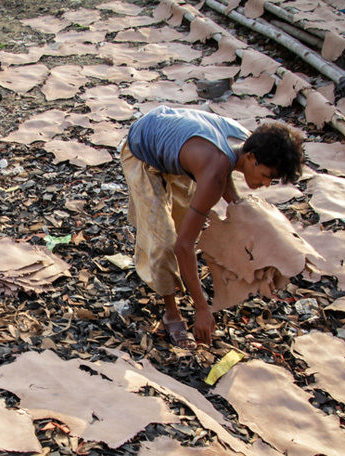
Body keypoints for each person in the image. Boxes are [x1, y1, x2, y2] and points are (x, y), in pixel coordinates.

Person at [121, 105, 305, 348]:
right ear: (250, 158)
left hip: (172, 138)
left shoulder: (248, 144)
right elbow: (184, 246)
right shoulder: (214, 169)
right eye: (266, 175)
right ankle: (171, 312)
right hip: (142, 148)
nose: (266, 183)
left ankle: (176, 283)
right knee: (165, 241)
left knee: (183, 219)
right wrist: (201, 309)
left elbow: (226, 178)